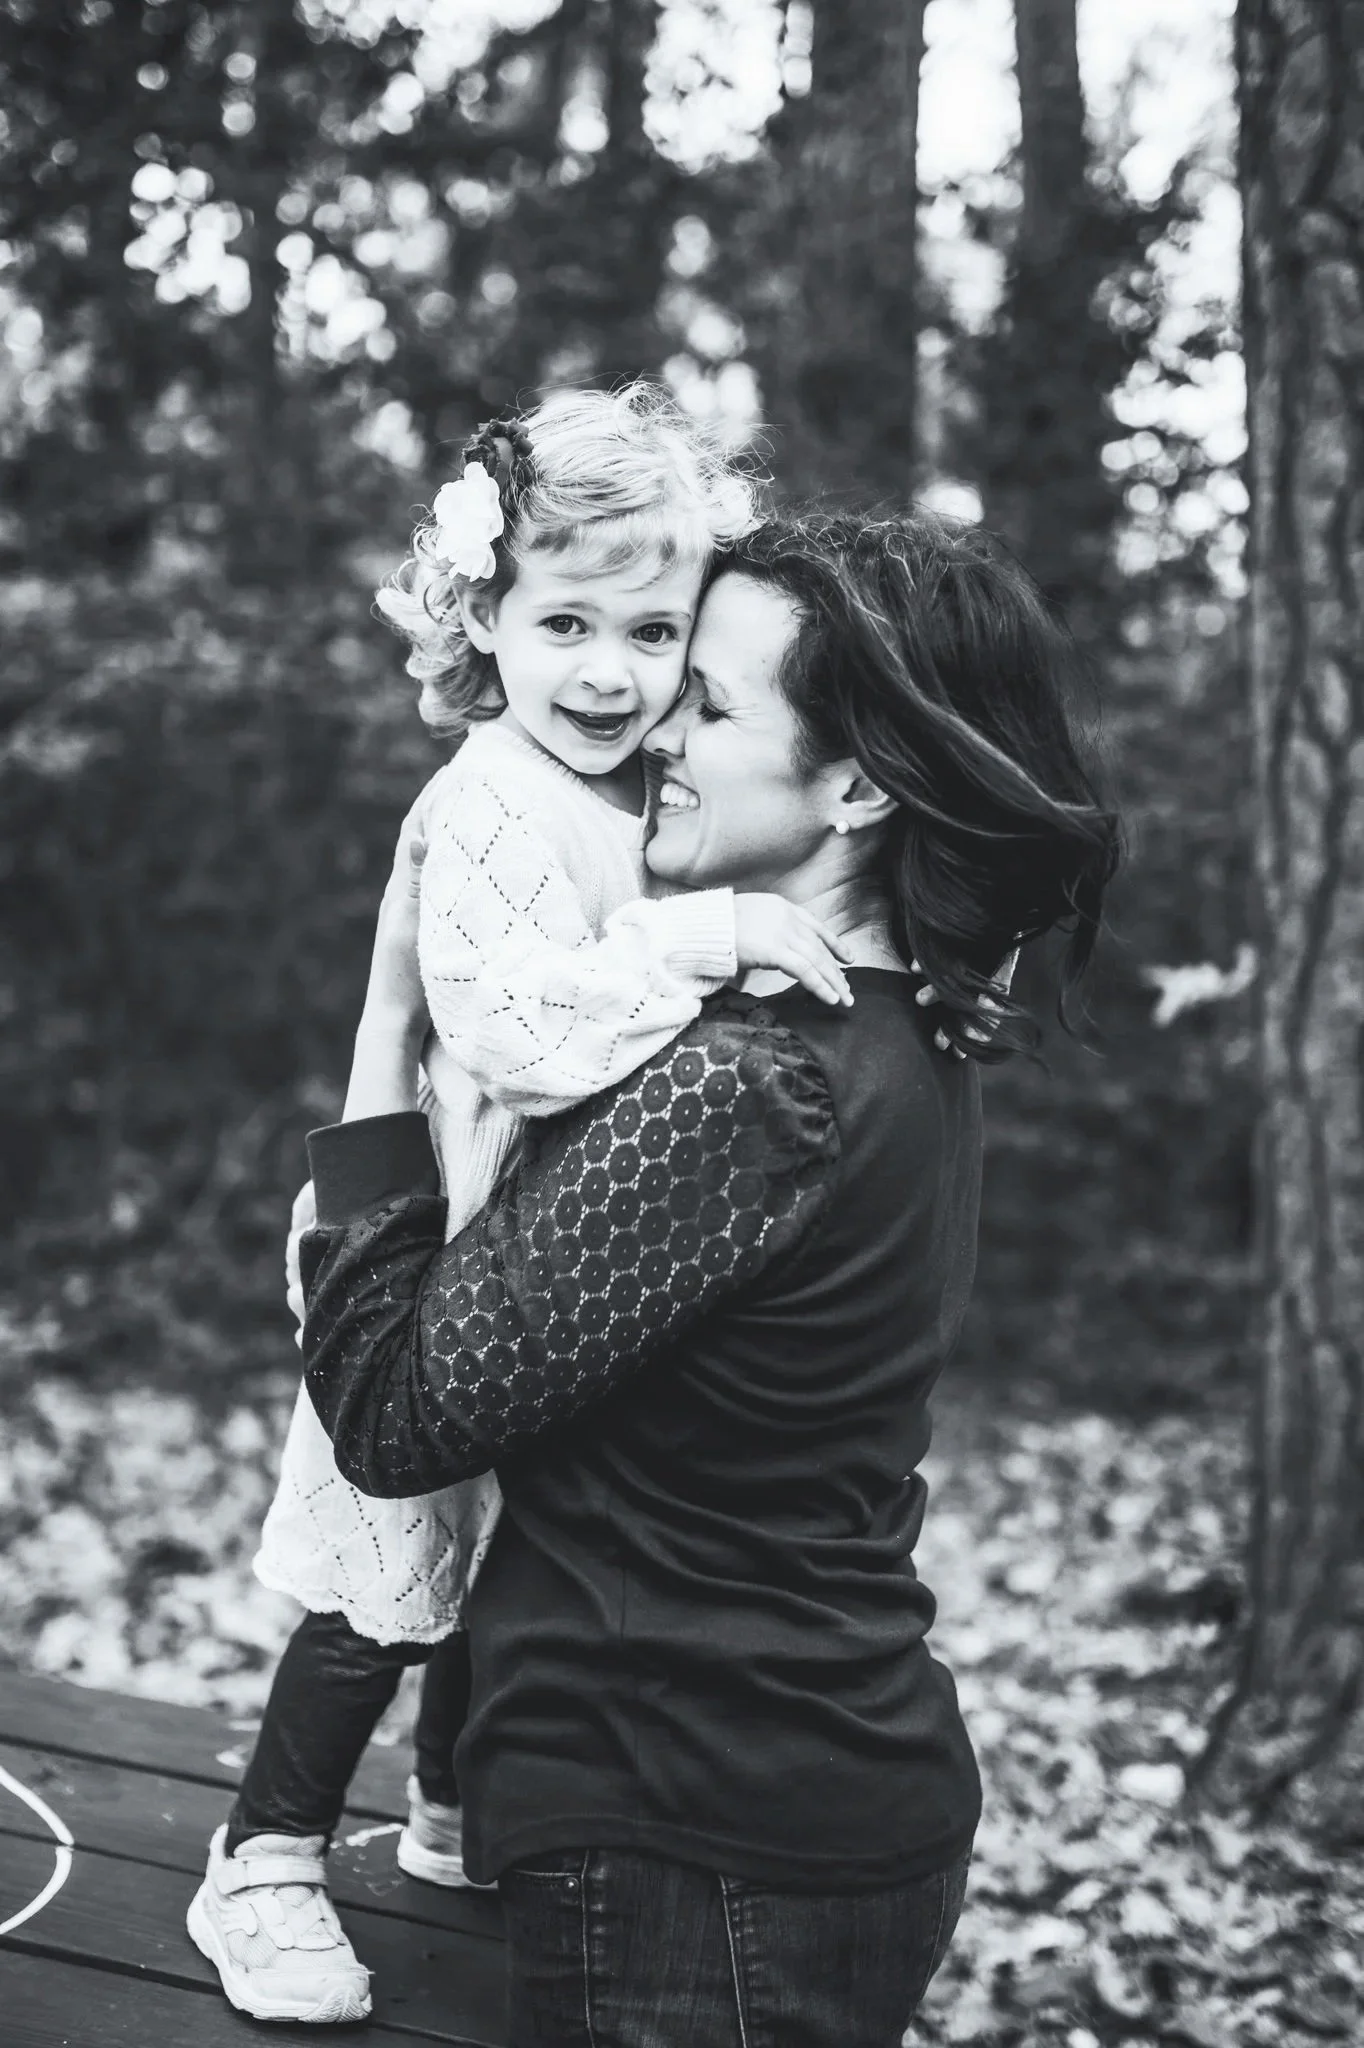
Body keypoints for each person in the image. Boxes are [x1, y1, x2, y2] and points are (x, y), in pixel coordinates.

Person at [292, 509, 1123, 2047]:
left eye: (712, 702)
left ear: (859, 784)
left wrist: (385, 1030)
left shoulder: (752, 1086)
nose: (655, 722)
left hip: (700, 1840)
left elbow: (396, 1415)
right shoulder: (893, 1028)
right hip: (772, 1804)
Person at [189, 388, 860, 2027]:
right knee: (390, 1567)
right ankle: (263, 1855)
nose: (613, 672)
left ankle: (450, 1813)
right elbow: (515, 1034)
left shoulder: (646, 792)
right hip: (421, 1241)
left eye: (652, 629)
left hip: (551, 1252)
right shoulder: (490, 794)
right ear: (484, 617)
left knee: (520, 1545)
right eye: (566, 622)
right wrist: (711, 944)